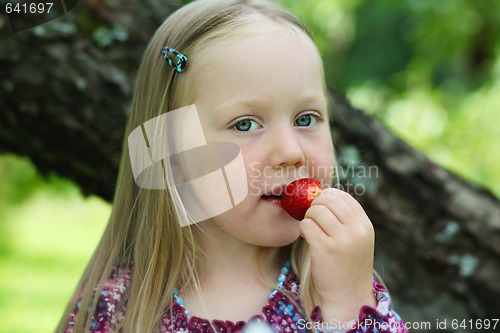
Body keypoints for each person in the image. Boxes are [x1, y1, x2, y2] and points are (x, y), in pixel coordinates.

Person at [57, 0, 408, 332]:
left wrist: (349, 305)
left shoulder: (338, 284)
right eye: (245, 124)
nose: (290, 151)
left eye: (306, 118)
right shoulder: (117, 310)